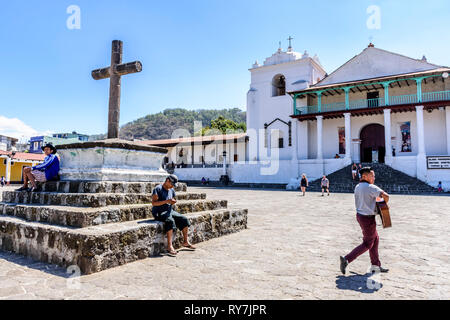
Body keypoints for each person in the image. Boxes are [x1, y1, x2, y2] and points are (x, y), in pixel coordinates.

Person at [340, 167, 390, 275]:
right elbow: (386, 196)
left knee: (375, 239)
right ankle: (347, 259)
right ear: (365, 176)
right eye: (372, 176)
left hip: (360, 216)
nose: (374, 178)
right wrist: (383, 203)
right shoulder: (371, 187)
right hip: (368, 219)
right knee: (368, 244)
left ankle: (376, 265)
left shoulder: (358, 186)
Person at [151, 174, 196, 257]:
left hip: (169, 210)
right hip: (159, 212)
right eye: (171, 184)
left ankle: (185, 242)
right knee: (170, 221)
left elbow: (173, 199)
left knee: (184, 219)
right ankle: (169, 246)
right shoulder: (158, 189)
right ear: (167, 180)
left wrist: (173, 201)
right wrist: (166, 201)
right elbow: (154, 203)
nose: (172, 186)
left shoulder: (171, 190)